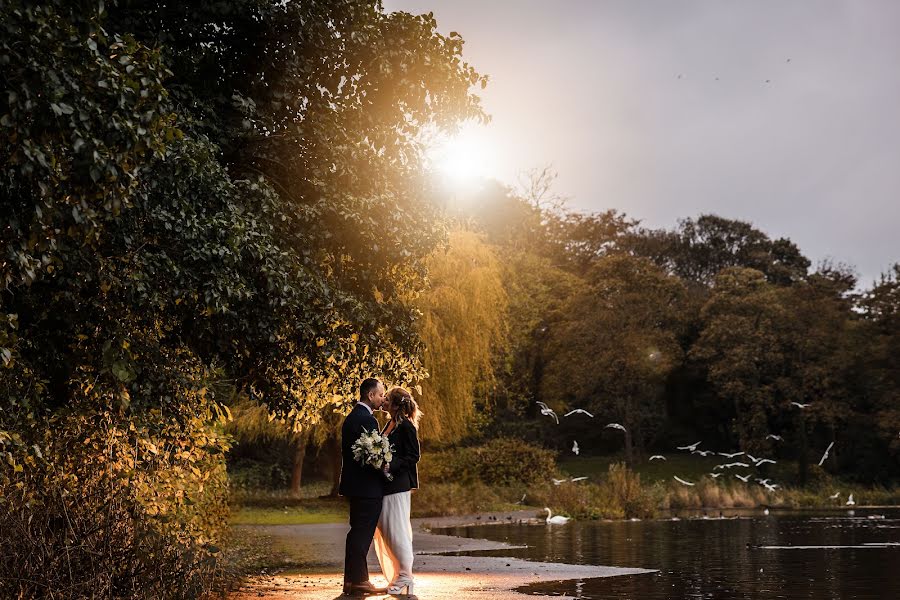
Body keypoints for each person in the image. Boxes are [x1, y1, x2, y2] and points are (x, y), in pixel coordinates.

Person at [339, 378, 389, 596]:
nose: (382, 399)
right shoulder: (368, 421)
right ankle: (359, 582)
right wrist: (386, 472)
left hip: (354, 486)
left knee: (355, 532)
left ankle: (350, 581)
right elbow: (372, 457)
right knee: (362, 533)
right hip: (367, 488)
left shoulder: (351, 418)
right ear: (370, 395)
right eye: (380, 395)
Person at [373, 386, 422, 596]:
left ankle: (405, 576)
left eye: (386, 399)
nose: (383, 401)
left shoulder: (406, 426)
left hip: (398, 484)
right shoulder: (390, 424)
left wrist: (391, 465)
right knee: (386, 529)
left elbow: (413, 456)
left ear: (394, 404)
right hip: (386, 484)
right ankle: (399, 575)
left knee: (396, 529)